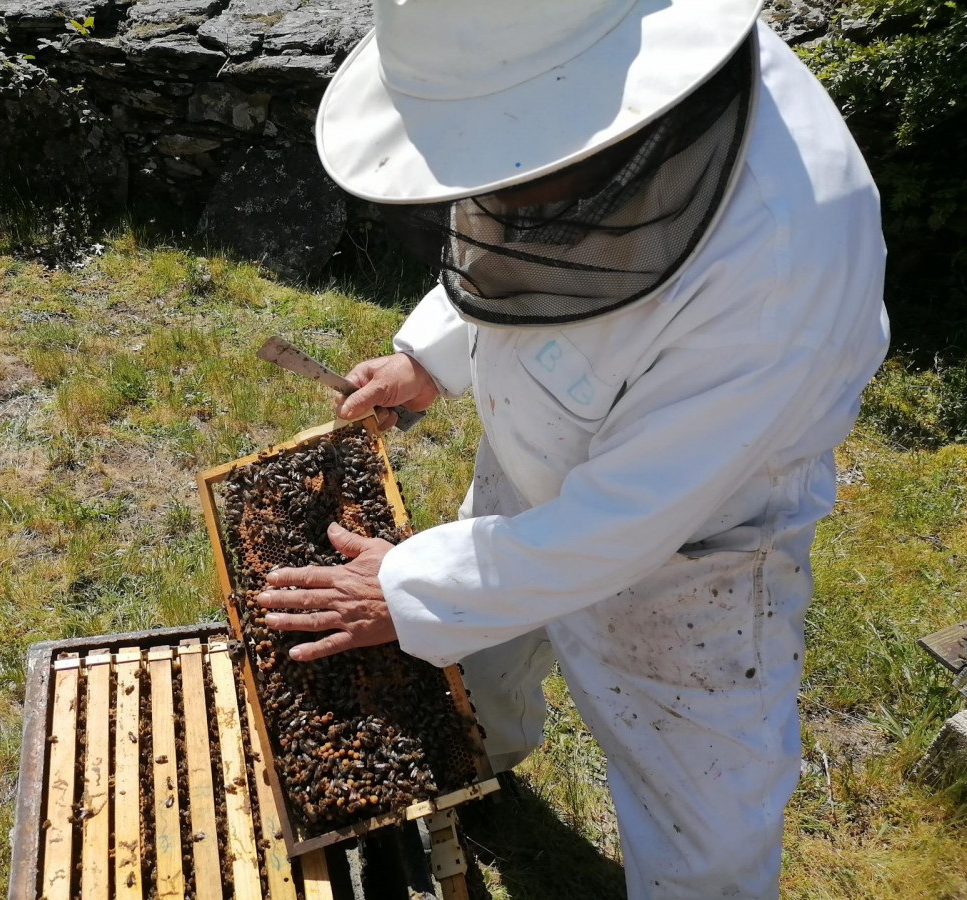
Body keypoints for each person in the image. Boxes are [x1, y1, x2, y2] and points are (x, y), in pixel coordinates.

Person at [257, 1, 889, 896]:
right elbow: (519, 221)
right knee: (485, 649)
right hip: (541, 445)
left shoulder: (781, 260)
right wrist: (431, 356)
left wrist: (409, 585)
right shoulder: (561, 68)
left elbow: (627, 522)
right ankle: (485, 765)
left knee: (701, 822)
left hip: (693, 552)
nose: (492, 194)